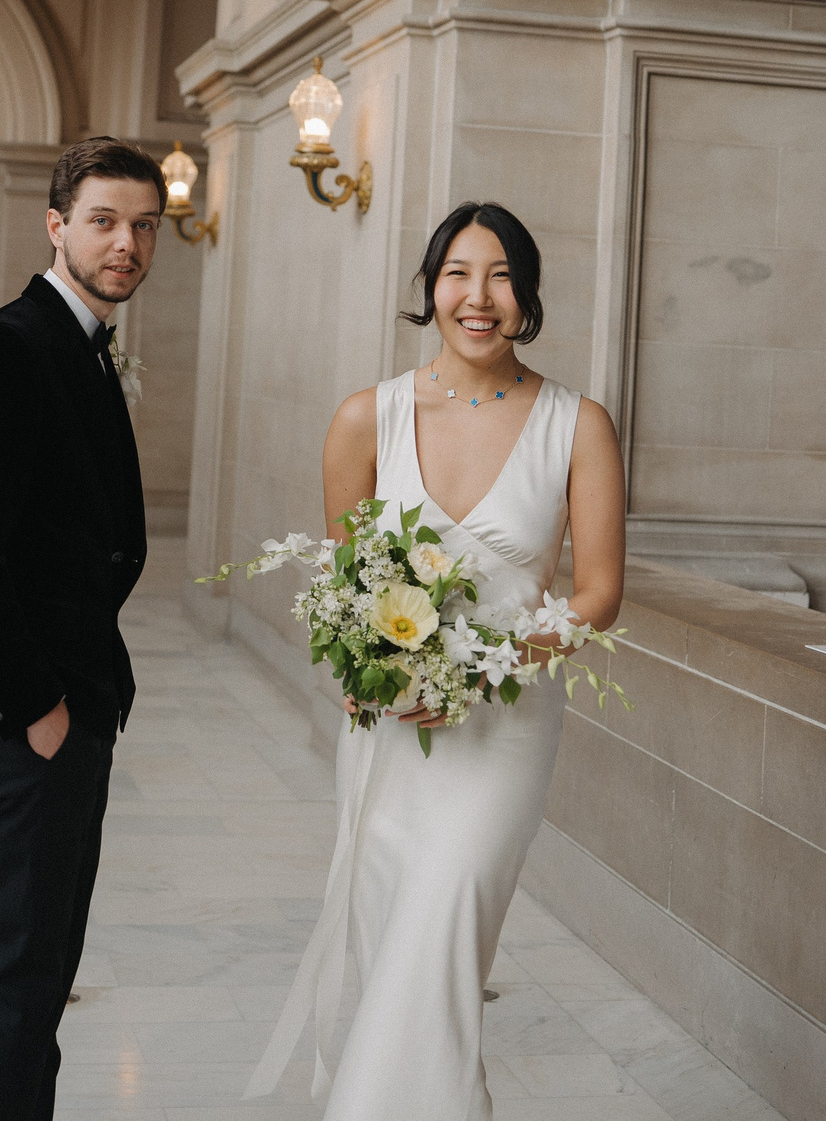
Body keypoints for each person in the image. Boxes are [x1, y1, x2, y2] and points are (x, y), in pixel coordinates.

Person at [248, 200, 629, 1120]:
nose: (478, 296)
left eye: (501, 276)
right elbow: (348, 585)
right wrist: (367, 671)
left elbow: (599, 594)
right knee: (392, 941)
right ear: (430, 287)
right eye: (459, 273)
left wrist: (480, 666)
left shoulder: (578, 424)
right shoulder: (365, 417)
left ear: (527, 295)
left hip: (504, 728)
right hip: (390, 728)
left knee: (444, 931)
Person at [0, 136, 167, 1121]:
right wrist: (37, 707)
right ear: (56, 225)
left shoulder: (79, 342)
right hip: (20, 714)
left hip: (71, 699)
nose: (126, 243)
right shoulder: (8, 348)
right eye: (104, 220)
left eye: (144, 225)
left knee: (42, 974)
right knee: (23, 978)